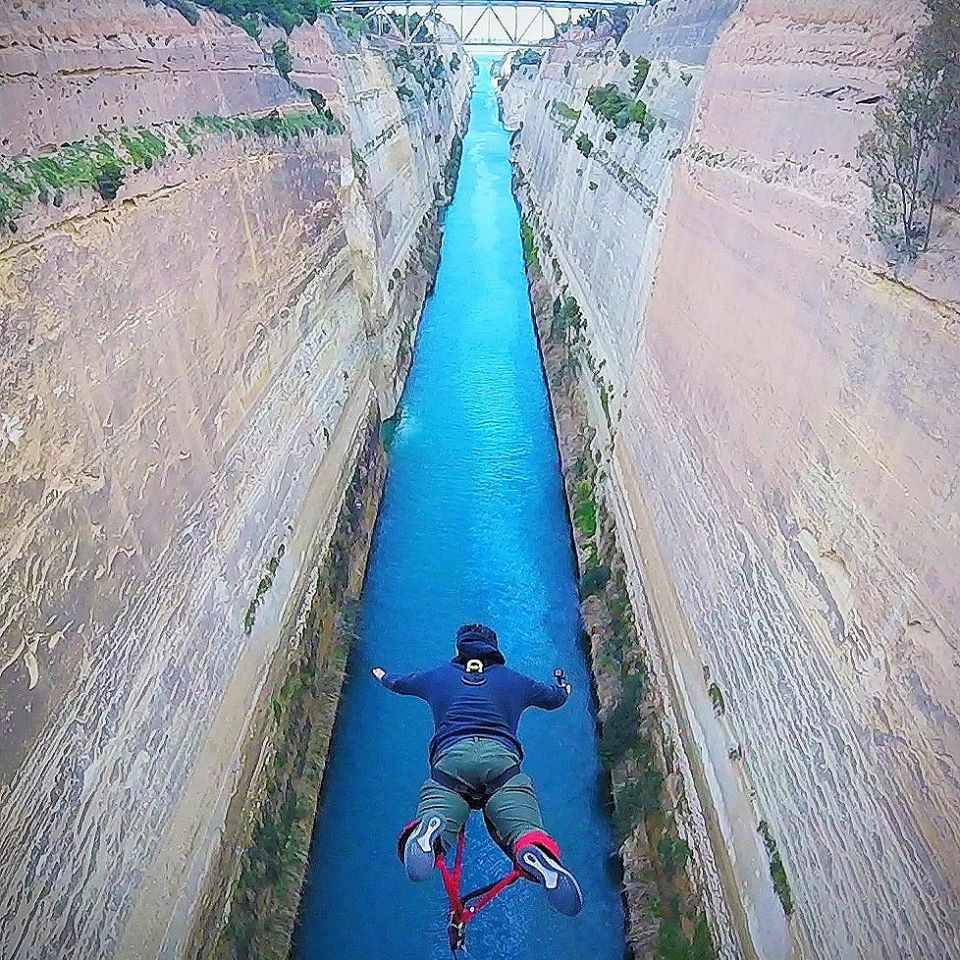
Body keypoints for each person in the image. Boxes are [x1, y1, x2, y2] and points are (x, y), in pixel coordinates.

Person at [371, 622, 583, 916]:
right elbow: (553, 699)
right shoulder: (514, 680)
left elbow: (403, 683)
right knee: (519, 818)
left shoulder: (439, 676)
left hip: (451, 762)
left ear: (459, 649)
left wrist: (384, 677)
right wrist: (563, 688)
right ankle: (531, 844)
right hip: (501, 763)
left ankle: (430, 828)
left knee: (441, 803)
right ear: (495, 650)